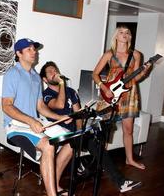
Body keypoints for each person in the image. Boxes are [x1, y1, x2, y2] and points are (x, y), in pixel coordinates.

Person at [40, 61, 142, 193]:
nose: (55, 73)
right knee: (92, 144)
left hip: (74, 131)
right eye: (50, 72)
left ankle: (114, 179)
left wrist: (79, 130)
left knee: (98, 136)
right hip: (58, 131)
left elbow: (78, 115)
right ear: (44, 79)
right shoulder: (46, 94)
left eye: (55, 70)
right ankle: (115, 179)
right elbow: (59, 105)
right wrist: (61, 83)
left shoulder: (71, 92)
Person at [2, 38, 73, 196]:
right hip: (16, 125)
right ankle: (52, 194)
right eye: (29, 49)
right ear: (18, 53)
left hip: (35, 122)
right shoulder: (12, 74)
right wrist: (31, 120)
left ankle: (53, 184)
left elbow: (40, 106)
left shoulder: (35, 76)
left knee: (71, 142)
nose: (34, 51)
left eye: (34, 49)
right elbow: (6, 106)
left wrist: (59, 118)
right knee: (48, 146)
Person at [92, 25, 151, 170]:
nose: (125, 34)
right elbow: (95, 74)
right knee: (105, 129)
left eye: (127, 33)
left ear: (130, 37)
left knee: (128, 129)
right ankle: (101, 161)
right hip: (110, 92)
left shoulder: (136, 55)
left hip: (129, 93)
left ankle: (129, 159)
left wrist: (144, 72)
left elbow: (135, 78)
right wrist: (105, 88)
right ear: (116, 36)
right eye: (121, 32)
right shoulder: (109, 54)